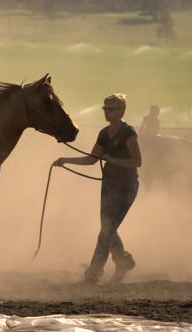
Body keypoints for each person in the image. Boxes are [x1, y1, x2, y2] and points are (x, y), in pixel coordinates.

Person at [54, 93, 142, 284]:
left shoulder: (129, 133)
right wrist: (65, 160)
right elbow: (91, 159)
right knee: (107, 227)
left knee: (107, 229)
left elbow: (137, 161)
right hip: (109, 184)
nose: (106, 112)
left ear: (122, 111)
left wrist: (115, 160)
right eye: (105, 108)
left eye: (111, 109)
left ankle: (94, 271)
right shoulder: (103, 133)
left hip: (127, 186)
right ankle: (123, 260)